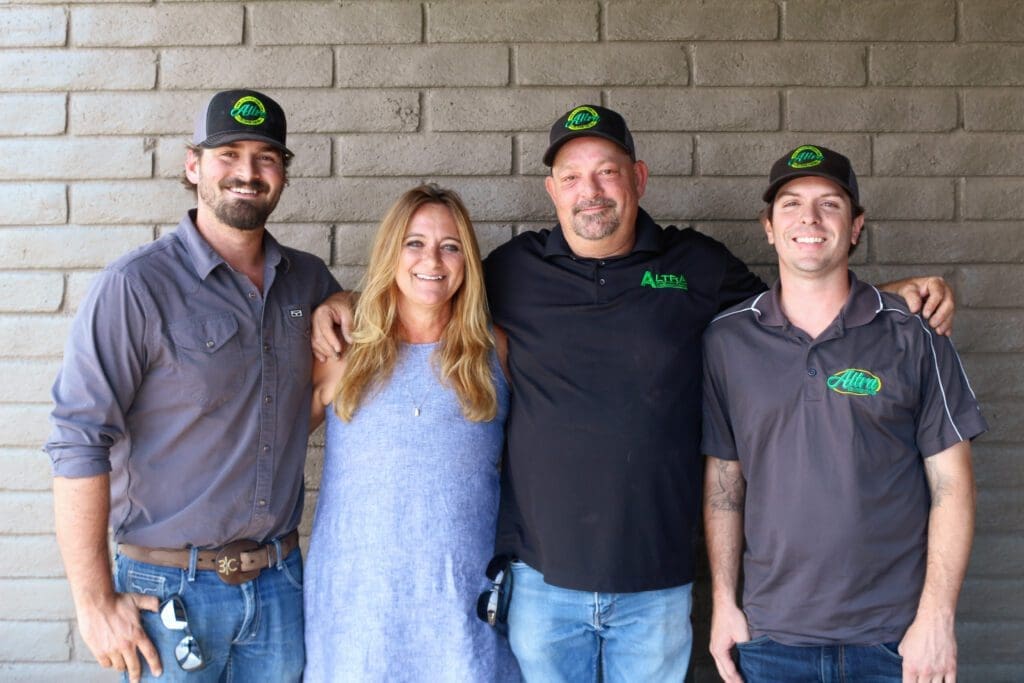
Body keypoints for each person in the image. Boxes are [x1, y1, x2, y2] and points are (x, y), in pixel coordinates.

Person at [311, 107, 955, 681]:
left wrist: (890, 296)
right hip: (541, 583)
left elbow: (795, 305)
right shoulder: (510, 271)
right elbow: (426, 284)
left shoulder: (697, 266)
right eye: (572, 176)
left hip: (657, 584)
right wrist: (342, 303)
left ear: (639, 178)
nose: (590, 191)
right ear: (551, 190)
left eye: (607, 172)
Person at [45, 89, 340, 683]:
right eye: (228, 153)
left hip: (280, 587)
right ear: (193, 165)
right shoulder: (136, 287)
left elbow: (292, 403)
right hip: (168, 593)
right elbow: (79, 440)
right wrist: (94, 602)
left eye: (266, 158)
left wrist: (345, 300)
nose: (247, 172)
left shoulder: (306, 280)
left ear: (282, 173)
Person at [701, 144, 985, 683]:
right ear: (768, 226)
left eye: (829, 204)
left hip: (895, 640)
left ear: (856, 226)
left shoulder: (915, 333)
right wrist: (723, 603)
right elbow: (724, 482)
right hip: (771, 637)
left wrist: (937, 619)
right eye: (790, 204)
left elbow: (953, 486)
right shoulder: (727, 340)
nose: (809, 218)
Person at [303, 184, 520, 681]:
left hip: (463, 601)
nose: (433, 259)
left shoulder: (496, 351)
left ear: (467, 260)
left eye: (451, 246)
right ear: (391, 252)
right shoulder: (344, 348)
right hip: (357, 605)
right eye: (415, 243)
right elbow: (269, 444)